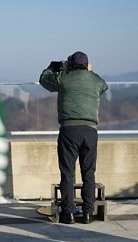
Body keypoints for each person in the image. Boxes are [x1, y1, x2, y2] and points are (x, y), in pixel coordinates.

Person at [39, 51, 108, 224]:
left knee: (68, 173)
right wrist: (89, 73)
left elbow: (44, 80)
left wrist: (53, 67)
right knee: (88, 172)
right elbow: (104, 87)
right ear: (86, 65)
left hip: (69, 130)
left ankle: (68, 214)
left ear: (70, 64)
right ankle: (87, 213)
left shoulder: (63, 77)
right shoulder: (95, 79)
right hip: (90, 131)